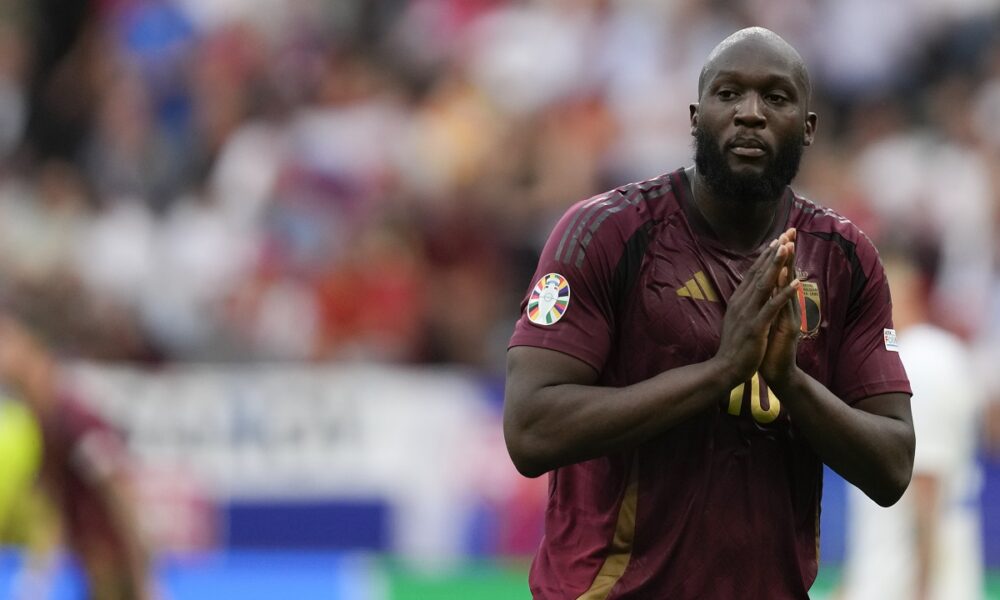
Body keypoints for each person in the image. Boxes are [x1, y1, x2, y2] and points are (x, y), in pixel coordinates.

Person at [503, 27, 915, 598]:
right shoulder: (605, 232)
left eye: (775, 98)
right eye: (729, 94)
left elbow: (894, 466)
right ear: (696, 118)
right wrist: (720, 371)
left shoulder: (846, 258)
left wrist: (788, 382)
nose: (750, 114)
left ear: (809, 128)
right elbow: (529, 431)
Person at [840, 249, 983, 600]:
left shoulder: (921, 360)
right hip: (909, 577)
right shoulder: (934, 354)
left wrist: (922, 588)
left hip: (908, 585)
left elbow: (926, 481)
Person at [0, 315, 154, 600]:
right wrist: (38, 577)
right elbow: (57, 505)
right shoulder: (40, 420)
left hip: (115, 566)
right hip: (91, 565)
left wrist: (145, 578)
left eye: (6, 341)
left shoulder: (72, 418)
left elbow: (121, 497)